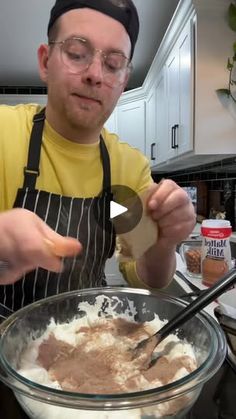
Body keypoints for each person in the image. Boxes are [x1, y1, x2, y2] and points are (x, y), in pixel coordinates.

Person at [0, 0, 196, 314]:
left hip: (89, 341)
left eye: (114, 63)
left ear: (124, 81)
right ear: (45, 61)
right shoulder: (4, 133)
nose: (94, 74)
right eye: (77, 53)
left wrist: (163, 244)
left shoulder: (128, 169)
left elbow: (148, 278)